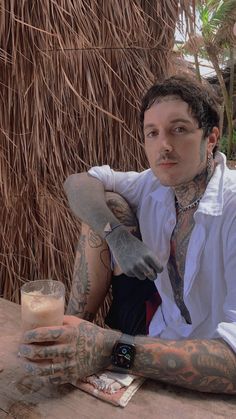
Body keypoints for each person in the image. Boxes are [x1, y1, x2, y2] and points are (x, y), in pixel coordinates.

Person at [20, 75, 236, 394]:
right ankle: (67, 336)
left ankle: (88, 344)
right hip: (158, 328)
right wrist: (118, 236)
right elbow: (78, 183)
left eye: (179, 129)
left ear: (211, 137)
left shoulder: (231, 208)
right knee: (108, 206)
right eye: (152, 133)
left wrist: (113, 349)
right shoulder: (152, 185)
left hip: (208, 355)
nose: (164, 145)